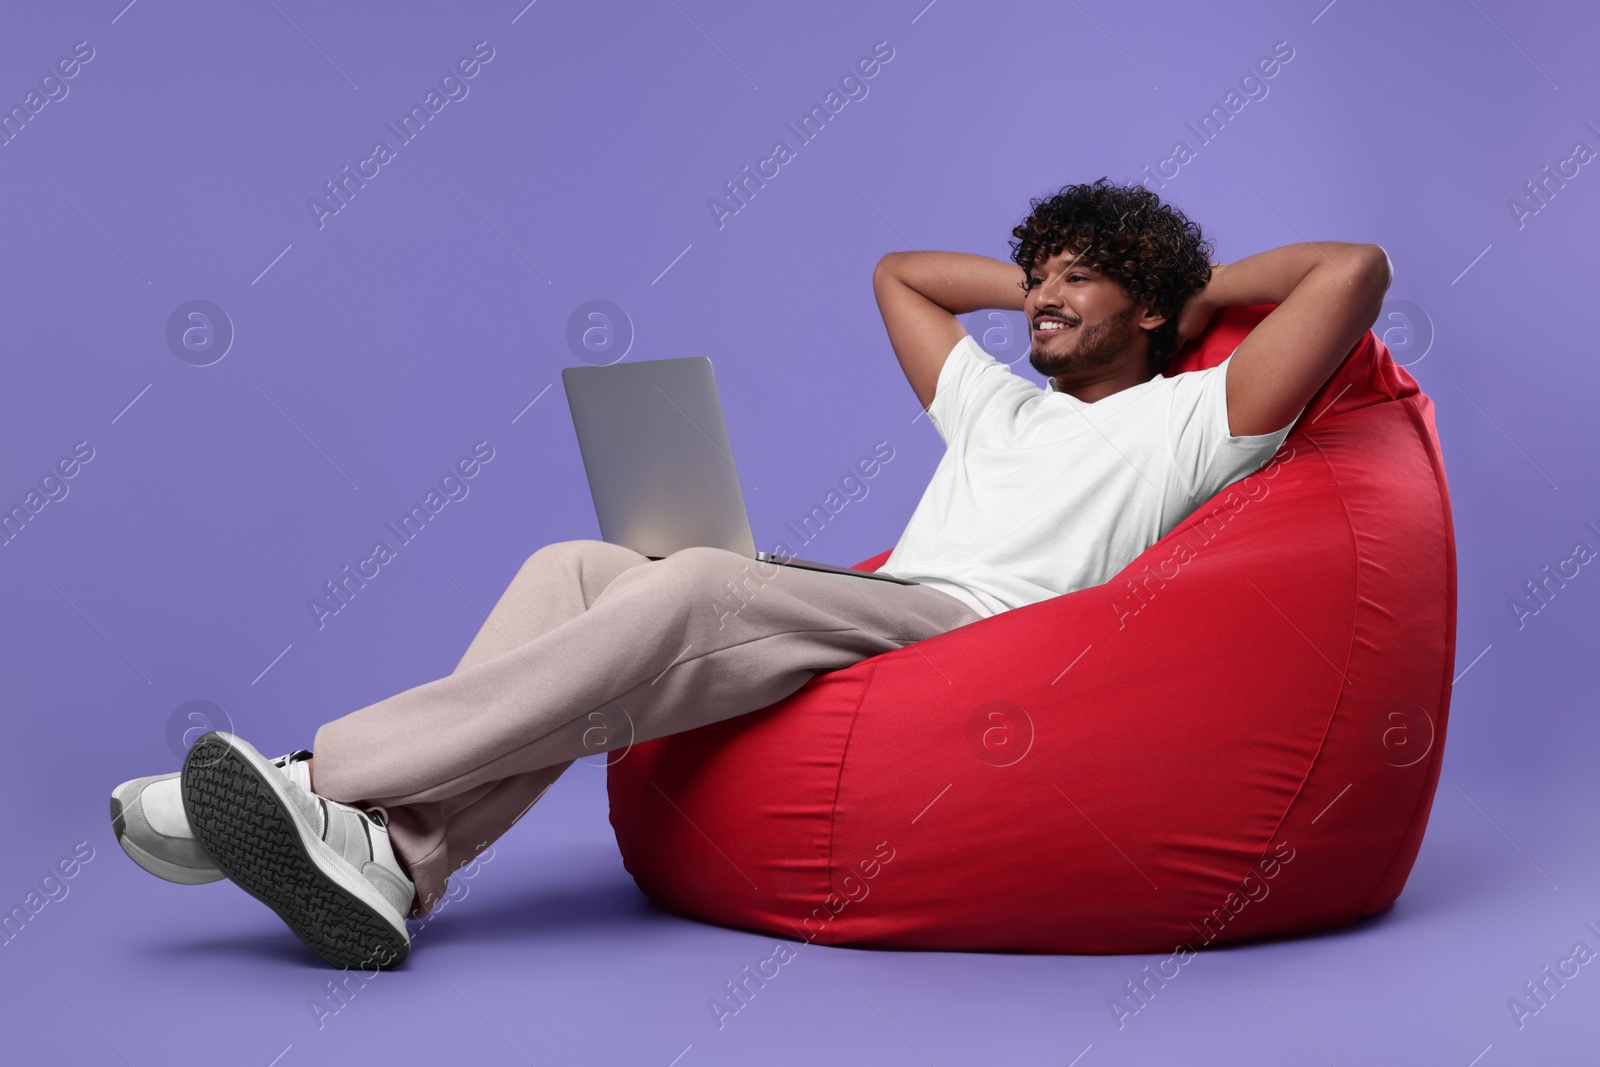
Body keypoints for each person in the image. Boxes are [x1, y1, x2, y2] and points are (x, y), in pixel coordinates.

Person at [109, 177, 1392, 970]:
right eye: (1036, 276)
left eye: (1077, 277)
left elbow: (1352, 272)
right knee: (579, 564)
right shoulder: (1001, 408)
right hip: (879, 608)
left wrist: (1172, 280)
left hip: (974, 635)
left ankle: (322, 778)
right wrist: (1055, 285)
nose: (1041, 297)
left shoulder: (1194, 416)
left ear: (1157, 307)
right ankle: (398, 859)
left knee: (693, 583)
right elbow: (896, 273)